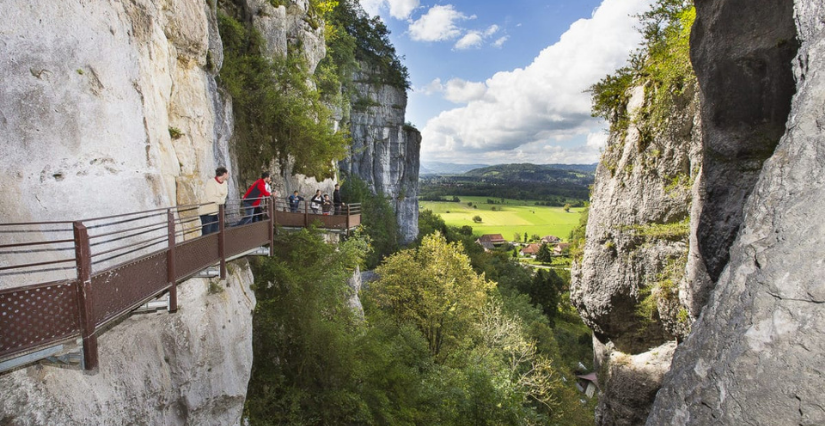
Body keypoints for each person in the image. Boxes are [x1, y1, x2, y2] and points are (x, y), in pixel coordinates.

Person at [198, 167, 229, 235]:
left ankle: (214, 245)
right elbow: (210, 198)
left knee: (215, 231)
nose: (228, 175)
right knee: (207, 232)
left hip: (216, 211)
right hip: (207, 211)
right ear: (224, 174)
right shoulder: (211, 182)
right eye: (227, 173)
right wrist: (220, 199)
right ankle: (205, 245)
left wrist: (218, 197)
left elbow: (225, 195)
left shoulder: (225, 183)